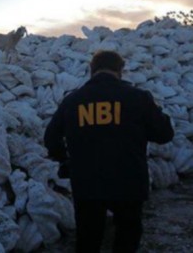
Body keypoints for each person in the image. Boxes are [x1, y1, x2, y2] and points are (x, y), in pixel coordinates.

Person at [44, 50, 174, 253]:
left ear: (91, 70)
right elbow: (165, 134)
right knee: (127, 238)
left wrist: (65, 161)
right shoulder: (138, 98)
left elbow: (51, 137)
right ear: (120, 70)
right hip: (129, 180)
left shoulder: (73, 101)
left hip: (87, 182)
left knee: (88, 240)